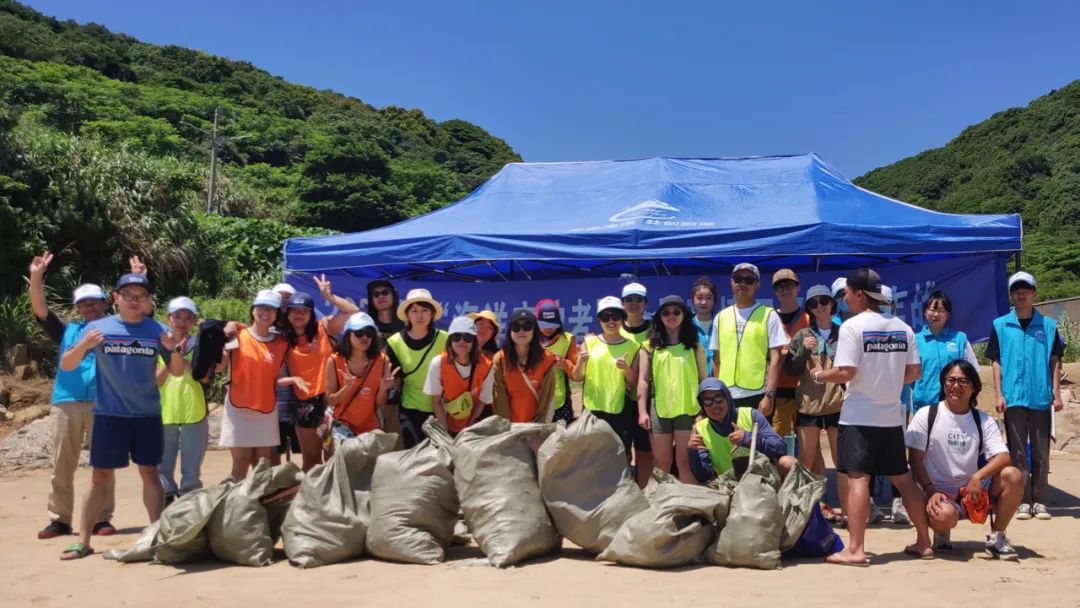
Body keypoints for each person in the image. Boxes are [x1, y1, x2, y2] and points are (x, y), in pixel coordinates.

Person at [59, 273, 185, 560]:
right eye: (128, 295)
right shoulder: (99, 328)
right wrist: (83, 345)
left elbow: (177, 371)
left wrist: (173, 348)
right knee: (99, 477)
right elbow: (67, 364)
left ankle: (155, 537)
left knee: (149, 473)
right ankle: (83, 541)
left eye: (141, 296)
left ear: (148, 300)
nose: (134, 300)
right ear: (116, 297)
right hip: (109, 414)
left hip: (147, 415)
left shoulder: (158, 330)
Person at [813, 268, 932, 566]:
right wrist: (887, 380)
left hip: (859, 417)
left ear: (859, 294)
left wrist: (820, 375)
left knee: (858, 479)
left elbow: (846, 372)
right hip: (891, 416)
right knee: (903, 479)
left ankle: (856, 549)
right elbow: (914, 372)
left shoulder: (853, 327)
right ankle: (924, 541)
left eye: (846, 294)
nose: (844, 299)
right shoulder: (903, 328)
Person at [28, 251, 116, 540]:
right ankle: (59, 520)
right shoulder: (67, 331)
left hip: (104, 401)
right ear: (77, 307)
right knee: (62, 464)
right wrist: (37, 277)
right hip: (67, 401)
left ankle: (102, 518)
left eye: (94, 302)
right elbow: (40, 309)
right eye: (83, 303)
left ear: (105, 303)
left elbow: (143, 316)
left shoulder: (117, 329)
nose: (88, 307)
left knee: (103, 463)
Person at [906, 360, 1023, 560]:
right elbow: (915, 460)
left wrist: (978, 477)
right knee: (944, 517)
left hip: (972, 490)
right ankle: (941, 532)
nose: (956, 386)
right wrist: (930, 491)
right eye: (950, 380)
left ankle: (997, 538)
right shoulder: (926, 415)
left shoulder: (983, 420)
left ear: (974, 387)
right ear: (943, 384)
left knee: (1014, 475)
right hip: (937, 490)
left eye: (963, 381)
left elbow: (1004, 456)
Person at [987, 271, 1066, 521]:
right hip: (1013, 398)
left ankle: (1039, 501)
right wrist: (999, 394)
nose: (1021, 295)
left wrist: (1056, 393)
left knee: (1041, 452)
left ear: (1034, 293)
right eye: (1016, 291)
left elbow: (1055, 361)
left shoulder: (1048, 325)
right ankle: (1022, 500)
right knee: (1017, 452)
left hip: (1040, 397)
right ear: (1011, 295)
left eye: (1026, 290)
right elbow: (996, 362)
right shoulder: (1000, 325)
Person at [276, 276, 356, 471]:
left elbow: (353, 312)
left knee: (334, 457)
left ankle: (334, 490)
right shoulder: (283, 338)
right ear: (287, 313)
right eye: (294, 310)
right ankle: (312, 491)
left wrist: (329, 297)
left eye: (304, 311)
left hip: (332, 402)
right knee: (311, 460)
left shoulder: (324, 327)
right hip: (304, 405)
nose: (299, 314)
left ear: (311, 314)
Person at [785, 284, 846, 523]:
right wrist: (803, 351)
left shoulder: (844, 332)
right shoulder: (802, 335)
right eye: (813, 303)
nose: (819, 306)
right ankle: (811, 511)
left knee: (841, 461)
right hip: (808, 404)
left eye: (823, 301)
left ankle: (848, 511)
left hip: (838, 404)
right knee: (807, 460)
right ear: (808, 308)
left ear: (832, 303)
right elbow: (791, 370)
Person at [572, 296, 648, 487]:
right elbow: (577, 377)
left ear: (622, 318)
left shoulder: (633, 346)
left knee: (620, 454)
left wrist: (626, 369)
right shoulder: (589, 342)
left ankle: (622, 491)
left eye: (615, 316)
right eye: (605, 317)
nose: (611, 321)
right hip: (592, 409)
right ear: (599, 319)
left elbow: (634, 382)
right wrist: (580, 362)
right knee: (592, 453)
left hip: (619, 409)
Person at [219, 290, 289, 482]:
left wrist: (294, 381)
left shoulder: (281, 343)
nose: (266, 313)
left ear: (277, 315)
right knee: (240, 466)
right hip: (237, 408)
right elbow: (219, 368)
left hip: (266, 409)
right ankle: (235, 501)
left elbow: (278, 378)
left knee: (261, 466)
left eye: (271, 309)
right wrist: (219, 352)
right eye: (262, 308)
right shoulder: (236, 334)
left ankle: (259, 501)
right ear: (253, 310)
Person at [638, 295, 706, 484]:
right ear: (659, 317)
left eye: (676, 312)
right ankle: (665, 501)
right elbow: (642, 381)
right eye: (666, 312)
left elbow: (704, 381)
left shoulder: (695, 346)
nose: (671, 316)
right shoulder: (649, 347)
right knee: (662, 464)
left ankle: (688, 502)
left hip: (688, 410)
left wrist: (703, 412)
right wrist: (642, 412)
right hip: (659, 411)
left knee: (685, 463)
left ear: (684, 315)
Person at [710, 263, 788, 414]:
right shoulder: (721, 316)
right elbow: (716, 359)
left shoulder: (769, 315)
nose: (742, 283)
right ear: (731, 282)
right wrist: (718, 393)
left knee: (756, 431)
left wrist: (769, 395)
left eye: (749, 280)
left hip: (757, 394)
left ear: (757, 284)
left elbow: (776, 359)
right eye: (738, 279)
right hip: (726, 395)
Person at [688, 378, 796, 482]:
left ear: (727, 397)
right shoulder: (700, 429)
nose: (714, 405)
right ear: (702, 405)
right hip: (728, 484)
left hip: (762, 479)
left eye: (718, 398)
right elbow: (703, 477)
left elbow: (781, 448)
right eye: (707, 401)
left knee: (788, 462)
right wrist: (693, 452)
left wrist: (749, 439)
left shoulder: (752, 415)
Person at [157, 296, 209, 505]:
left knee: (192, 468)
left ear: (194, 321)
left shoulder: (200, 344)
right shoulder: (158, 343)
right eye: (177, 317)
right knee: (162, 466)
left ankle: (189, 503)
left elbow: (204, 378)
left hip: (194, 411)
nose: (182, 322)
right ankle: (166, 500)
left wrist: (180, 356)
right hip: (164, 411)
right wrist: (170, 353)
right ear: (168, 318)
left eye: (187, 318)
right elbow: (155, 381)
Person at [387, 288, 449, 447]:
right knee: (413, 453)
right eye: (414, 311)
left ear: (432, 314)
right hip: (410, 407)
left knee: (439, 455)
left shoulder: (445, 339)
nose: (419, 315)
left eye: (424, 310)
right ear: (407, 314)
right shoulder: (395, 342)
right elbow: (395, 378)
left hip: (441, 408)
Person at [324, 312, 394, 442]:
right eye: (359, 333)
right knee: (348, 453)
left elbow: (380, 404)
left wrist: (383, 389)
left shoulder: (382, 360)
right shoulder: (334, 360)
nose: (365, 337)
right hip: (343, 423)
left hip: (371, 425)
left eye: (369, 333)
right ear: (348, 334)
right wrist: (347, 387)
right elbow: (331, 401)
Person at [912, 291, 980, 414]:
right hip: (924, 406)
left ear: (948, 314)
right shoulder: (915, 340)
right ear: (925, 312)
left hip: (955, 405)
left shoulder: (960, 339)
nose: (936, 314)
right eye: (932, 309)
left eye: (941, 310)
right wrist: (922, 390)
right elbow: (911, 377)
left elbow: (972, 372)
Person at [424, 316, 494, 434]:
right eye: (456, 337)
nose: (462, 342)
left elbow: (483, 401)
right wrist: (445, 432)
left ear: (474, 341)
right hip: (445, 422)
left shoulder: (487, 366)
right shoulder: (438, 363)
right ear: (450, 341)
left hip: (473, 426)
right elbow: (436, 401)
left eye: (467, 338)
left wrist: (468, 430)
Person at [492, 309, 559, 423]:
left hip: (536, 424)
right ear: (510, 331)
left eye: (527, 327)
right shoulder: (500, 358)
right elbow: (499, 396)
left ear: (534, 331)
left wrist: (537, 426)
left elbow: (547, 396)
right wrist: (506, 426)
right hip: (509, 426)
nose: (521, 331)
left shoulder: (547, 358)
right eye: (516, 327)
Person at [619, 282, 654, 478]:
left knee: (644, 449)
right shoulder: (615, 327)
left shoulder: (654, 329)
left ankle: (643, 487)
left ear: (645, 303)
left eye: (638, 299)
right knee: (622, 447)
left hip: (648, 399)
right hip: (621, 399)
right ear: (622, 303)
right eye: (629, 299)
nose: (633, 303)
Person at [770, 269, 809, 438]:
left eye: (790, 286)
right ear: (775, 291)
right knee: (777, 438)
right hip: (779, 388)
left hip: (805, 388)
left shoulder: (808, 318)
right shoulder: (770, 318)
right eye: (780, 287)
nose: (785, 290)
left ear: (798, 287)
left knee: (808, 440)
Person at [537, 299, 578, 424]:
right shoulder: (529, 338)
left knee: (562, 435)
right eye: (544, 324)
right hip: (535, 399)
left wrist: (565, 364)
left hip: (560, 401)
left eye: (553, 323)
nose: (549, 328)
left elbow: (576, 375)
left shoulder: (567, 340)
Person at [690, 276, 717, 376]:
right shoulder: (686, 326)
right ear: (693, 300)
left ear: (714, 300)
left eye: (708, 298)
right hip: (694, 382)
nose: (703, 302)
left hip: (718, 381)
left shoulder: (721, 324)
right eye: (699, 298)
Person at [366, 279, 404, 345]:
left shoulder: (405, 325)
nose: (380, 296)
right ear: (371, 300)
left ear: (393, 296)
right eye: (376, 294)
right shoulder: (367, 326)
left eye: (385, 292)